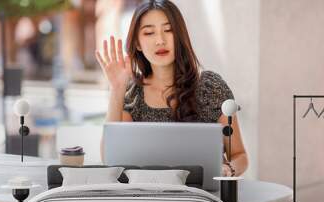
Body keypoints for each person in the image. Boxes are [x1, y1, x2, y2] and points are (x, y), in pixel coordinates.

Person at [96, 0, 248, 177]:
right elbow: (109, 158)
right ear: (137, 43)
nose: (160, 40)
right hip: (150, 198)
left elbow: (239, 155)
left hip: (204, 197)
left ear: (180, 36)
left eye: (168, 30)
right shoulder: (133, 93)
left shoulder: (211, 86)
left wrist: (228, 169)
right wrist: (117, 88)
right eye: (149, 32)